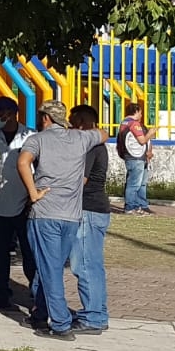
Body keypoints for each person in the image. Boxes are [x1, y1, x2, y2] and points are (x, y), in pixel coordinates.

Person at [18, 100, 108, 339]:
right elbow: (104, 133)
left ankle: (60, 324)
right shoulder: (80, 139)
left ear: (45, 117)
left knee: (48, 270)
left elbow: (23, 162)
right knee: (55, 267)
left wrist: (33, 192)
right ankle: (41, 313)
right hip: (71, 216)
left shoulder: (37, 139)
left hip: (45, 212)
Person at [0, 96, 37, 313]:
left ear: (9, 113)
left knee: (30, 255)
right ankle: (0, 294)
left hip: (26, 206)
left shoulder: (31, 137)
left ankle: (36, 296)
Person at [69, 104, 111, 333]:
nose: (69, 126)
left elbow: (80, 179)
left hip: (88, 210)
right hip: (94, 210)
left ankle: (93, 316)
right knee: (92, 264)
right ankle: (97, 312)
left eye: (73, 121)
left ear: (83, 122)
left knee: (84, 264)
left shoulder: (91, 147)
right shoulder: (97, 145)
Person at [116, 101, 154, 215]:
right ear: (136, 111)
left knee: (139, 183)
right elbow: (142, 140)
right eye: (141, 112)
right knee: (135, 184)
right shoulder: (134, 124)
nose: (141, 115)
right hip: (136, 158)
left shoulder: (124, 123)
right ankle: (130, 207)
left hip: (134, 157)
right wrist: (151, 133)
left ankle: (140, 205)